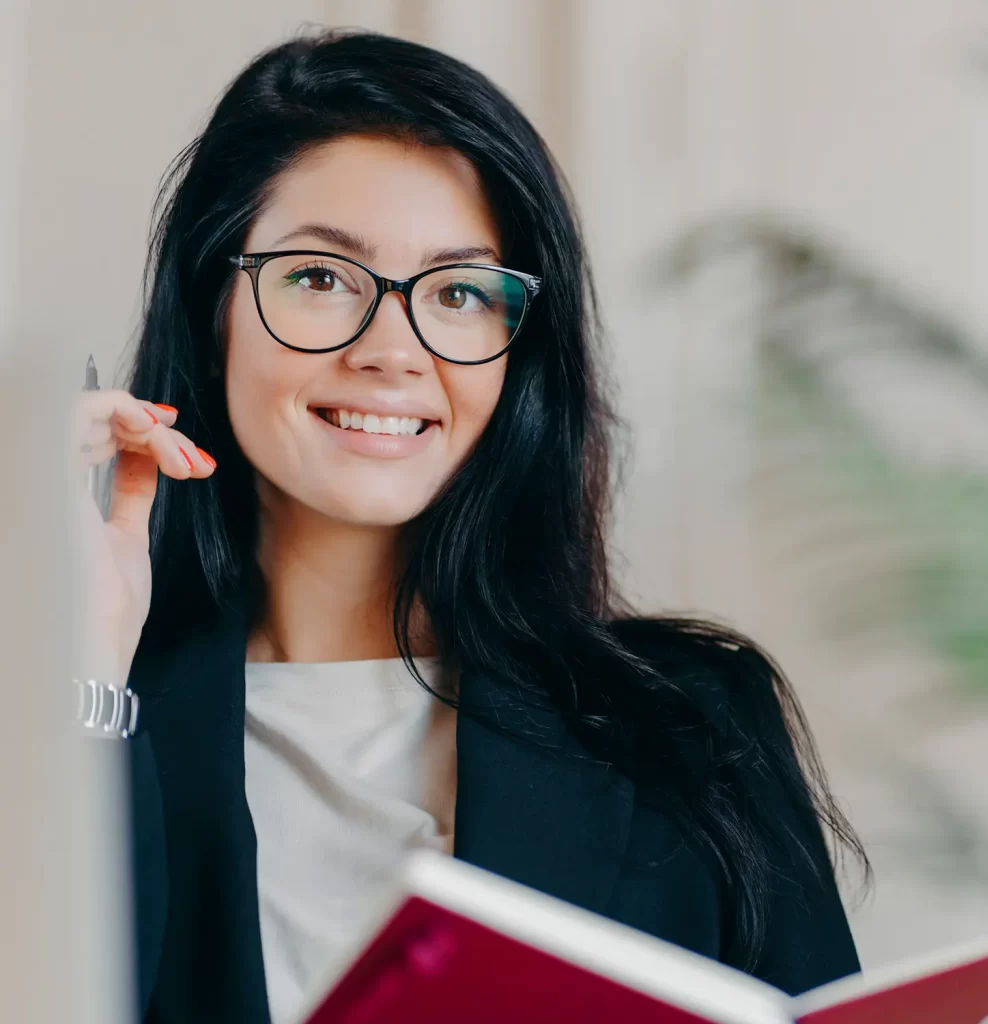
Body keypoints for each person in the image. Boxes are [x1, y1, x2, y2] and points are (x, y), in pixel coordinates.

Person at [74, 29, 866, 1024]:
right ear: (213, 303)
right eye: (320, 276)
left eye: (458, 292)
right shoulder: (96, 716)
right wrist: (81, 656)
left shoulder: (693, 727)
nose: (392, 350)